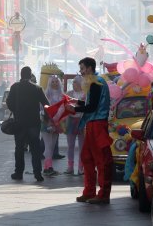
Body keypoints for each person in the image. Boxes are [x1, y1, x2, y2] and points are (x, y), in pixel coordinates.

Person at [65, 57, 113, 204]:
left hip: (98, 124)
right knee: (87, 157)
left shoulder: (96, 82)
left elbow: (92, 107)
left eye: (83, 68)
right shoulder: (93, 82)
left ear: (90, 68)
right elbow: (90, 103)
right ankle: (89, 191)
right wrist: (75, 101)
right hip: (92, 124)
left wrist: (75, 108)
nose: (81, 71)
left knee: (101, 160)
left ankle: (103, 194)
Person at [6, 66, 49, 182]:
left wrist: (16, 110)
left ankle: (18, 172)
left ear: (21, 75)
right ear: (30, 76)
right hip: (34, 123)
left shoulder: (15, 87)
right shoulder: (37, 88)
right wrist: (47, 118)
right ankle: (37, 174)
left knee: (19, 148)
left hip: (19, 123)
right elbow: (46, 104)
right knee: (35, 149)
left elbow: (8, 102)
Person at [41, 75, 64, 176]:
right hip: (46, 122)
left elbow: (63, 108)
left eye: (56, 81)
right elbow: (42, 108)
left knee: (52, 145)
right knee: (48, 145)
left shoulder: (62, 95)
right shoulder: (45, 94)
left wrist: (58, 117)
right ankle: (47, 167)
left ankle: (48, 167)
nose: (55, 83)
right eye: (53, 82)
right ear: (50, 83)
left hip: (57, 123)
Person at [65, 75, 85, 175]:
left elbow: (86, 106)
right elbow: (64, 106)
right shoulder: (69, 93)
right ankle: (70, 166)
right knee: (70, 145)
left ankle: (81, 167)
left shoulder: (85, 94)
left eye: (75, 82)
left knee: (82, 146)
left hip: (82, 121)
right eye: (73, 82)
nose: (73, 84)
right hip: (71, 120)